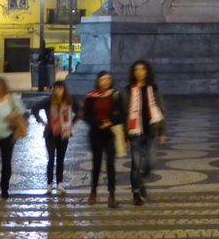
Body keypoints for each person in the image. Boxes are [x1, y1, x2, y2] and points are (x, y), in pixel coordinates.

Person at [124, 59, 166, 206]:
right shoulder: (128, 90)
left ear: (147, 71)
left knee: (151, 161)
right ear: (133, 72)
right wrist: (124, 137)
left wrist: (162, 131)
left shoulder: (153, 89)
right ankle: (135, 193)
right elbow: (124, 114)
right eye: (136, 69)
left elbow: (160, 109)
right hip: (134, 132)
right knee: (136, 164)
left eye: (142, 69)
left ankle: (141, 180)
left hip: (150, 130)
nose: (139, 72)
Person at [81, 71, 124, 207]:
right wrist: (98, 124)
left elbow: (122, 114)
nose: (106, 82)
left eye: (108, 79)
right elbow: (86, 116)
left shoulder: (115, 95)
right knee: (96, 164)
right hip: (96, 133)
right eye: (103, 79)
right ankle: (93, 191)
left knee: (110, 165)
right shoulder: (91, 96)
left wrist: (110, 122)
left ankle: (112, 194)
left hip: (110, 133)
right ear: (98, 81)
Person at [32, 80, 80, 194]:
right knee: (51, 159)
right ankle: (49, 184)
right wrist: (41, 121)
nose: (58, 91)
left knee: (60, 159)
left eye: (60, 88)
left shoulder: (69, 100)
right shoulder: (49, 101)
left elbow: (79, 111)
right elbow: (34, 108)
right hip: (51, 133)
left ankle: (59, 184)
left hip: (64, 133)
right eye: (56, 88)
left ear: (64, 89)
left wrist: (72, 122)